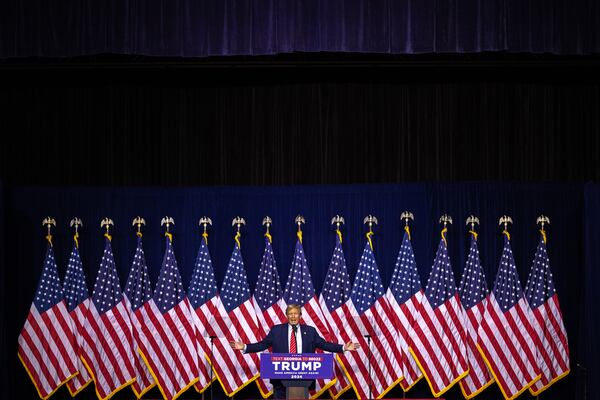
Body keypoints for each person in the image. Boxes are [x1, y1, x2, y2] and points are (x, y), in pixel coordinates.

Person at [230, 304, 359, 399]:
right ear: (287, 316)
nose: (293, 316)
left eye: (296, 313)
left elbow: (324, 345)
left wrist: (343, 348)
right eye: (290, 314)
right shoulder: (276, 330)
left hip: (302, 378)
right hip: (280, 378)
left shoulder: (310, 331)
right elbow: (262, 345)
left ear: (300, 316)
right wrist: (245, 347)